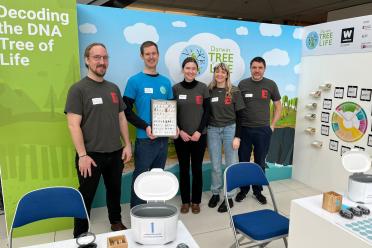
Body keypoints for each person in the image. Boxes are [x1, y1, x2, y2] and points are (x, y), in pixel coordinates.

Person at [65, 43, 132, 237]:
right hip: (90, 156)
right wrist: (82, 155)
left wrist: (126, 144)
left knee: (114, 191)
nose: (101, 62)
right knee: (85, 197)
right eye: (96, 57)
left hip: (114, 153)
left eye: (104, 58)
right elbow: (73, 125)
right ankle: (80, 234)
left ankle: (116, 222)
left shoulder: (113, 88)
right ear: (87, 60)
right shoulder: (78, 89)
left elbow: (121, 117)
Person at [123, 41, 173, 208]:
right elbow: (126, 111)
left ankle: (154, 211)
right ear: (142, 56)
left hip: (163, 140)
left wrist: (175, 126)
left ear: (158, 55)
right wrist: (145, 126)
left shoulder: (166, 82)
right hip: (145, 140)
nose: (151, 57)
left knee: (158, 179)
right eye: (147, 54)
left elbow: (171, 111)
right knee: (141, 179)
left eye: (154, 53)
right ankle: (136, 212)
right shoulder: (134, 81)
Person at [236, 56, 282, 205]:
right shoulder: (242, 84)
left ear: (264, 69)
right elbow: (237, 108)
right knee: (243, 162)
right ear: (250, 68)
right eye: (254, 67)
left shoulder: (271, 84)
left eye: (260, 67)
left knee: (259, 162)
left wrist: (273, 125)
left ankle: (257, 191)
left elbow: (278, 106)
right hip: (244, 129)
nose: (257, 70)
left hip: (263, 130)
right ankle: (243, 190)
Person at [173, 57, 210, 214]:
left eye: (193, 68)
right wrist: (180, 130)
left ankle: (196, 201)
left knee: (196, 169)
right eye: (187, 68)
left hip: (198, 137)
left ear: (197, 70)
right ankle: (185, 201)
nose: (190, 71)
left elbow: (207, 112)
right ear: (183, 70)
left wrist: (198, 132)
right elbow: (171, 112)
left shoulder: (203, 88)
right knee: (183, 168)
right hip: (181, 137)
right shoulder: (175, 89)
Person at [207, 63, 245, 213]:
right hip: (213, 130)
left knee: (231, 164)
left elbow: (241, 116)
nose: (220, 74)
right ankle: (215, 193)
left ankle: (229, 196)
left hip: (230, 129)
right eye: (217, 72)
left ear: (227, 74)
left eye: (223, 72)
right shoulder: (209, 90)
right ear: (214, 74)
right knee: (216, 165)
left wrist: (238, 137)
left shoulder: (234, 91)